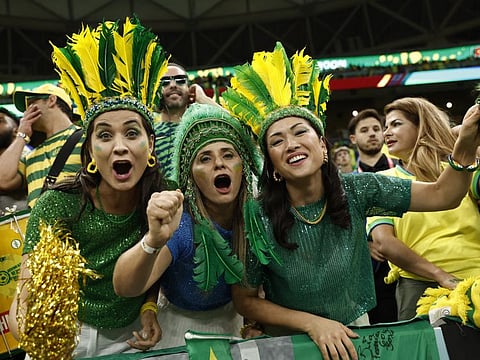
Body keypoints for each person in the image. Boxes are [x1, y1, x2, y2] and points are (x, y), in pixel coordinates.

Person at [221, 41, 480, 360]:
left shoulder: (359, 189)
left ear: (322, 145)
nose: (290, 144)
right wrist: (314, 324)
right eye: (277, 141)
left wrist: (465, 144)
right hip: (292, 341)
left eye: (300, 132)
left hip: (354, 331)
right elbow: (246, 300)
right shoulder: (257, 216)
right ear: (272, 164)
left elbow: (445, 194)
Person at [8, 17, 184, 358]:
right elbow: (24, 302)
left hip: (132, 341)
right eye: (105, 135)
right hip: (67, 338)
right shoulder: (58, 203)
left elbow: (154, 270)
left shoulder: (167, 197)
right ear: (89, 150)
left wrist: (149, 307)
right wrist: (38, 333)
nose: (119, 146)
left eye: (132, 133)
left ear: (150, 143)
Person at [113, 103, 262, 348]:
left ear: (243, 166)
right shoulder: (181, 226)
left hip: (235, 325)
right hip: (179, 331)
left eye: (228, 154)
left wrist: (254, 323)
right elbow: (127, 286)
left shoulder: (257, 218)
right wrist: (153, 240)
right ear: (190, 176)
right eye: (204, 158)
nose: (219, 164)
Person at [367, 97, 480, 321]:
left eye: (396, 124)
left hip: (476, 276)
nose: (386, 133)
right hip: (418, 286)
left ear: (422, 128)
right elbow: (384, 242)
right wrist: (440, 275)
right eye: (385, 127)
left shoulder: (462, 167)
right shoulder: (382, 181)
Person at [347, 108, 398, 324]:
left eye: (377, 129)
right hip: (369, 272)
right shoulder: (344, 183)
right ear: (353, 138)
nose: (372, 134)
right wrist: (365, 244)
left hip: (408, 267)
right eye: (365, 130)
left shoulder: (403, 171)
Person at [0, 83, 82, 209]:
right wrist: (21, 135)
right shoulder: (30, 156)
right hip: (38, 228)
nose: (26, 112)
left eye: (31, 103)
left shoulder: (86, 138)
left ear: (51, 100)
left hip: (79, 225)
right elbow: (3, 180)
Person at [154, 63, 221, 179]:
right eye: (165, 82)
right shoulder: (149, 133)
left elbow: (243, 136)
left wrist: (203, 99)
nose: (173, 85)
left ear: (189, 89)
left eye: (180, 80)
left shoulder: (203, 129)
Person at [0, 107, 30, 214]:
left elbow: (3, 181)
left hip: (19, 224)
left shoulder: (28, 155)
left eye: (0, 120)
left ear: (16, 129)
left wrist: (21, 136)